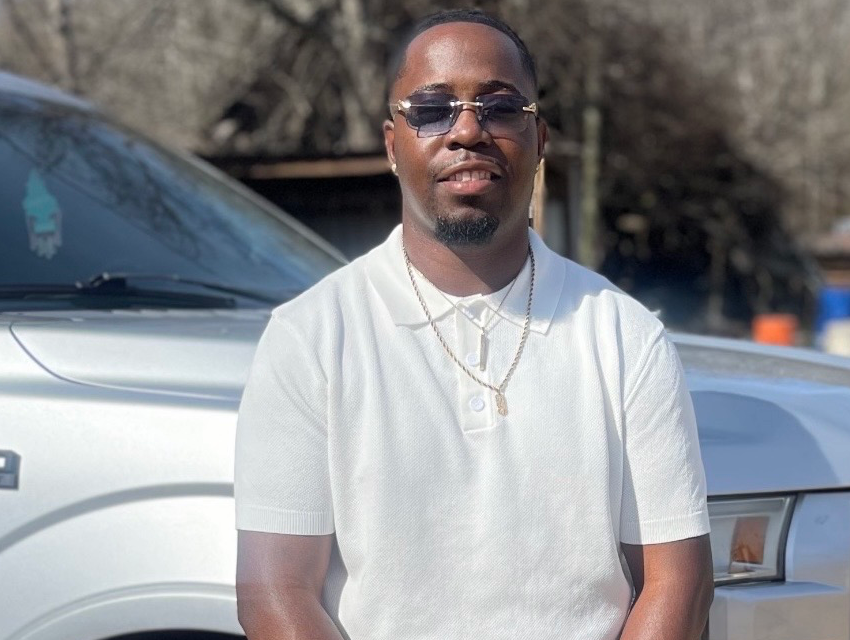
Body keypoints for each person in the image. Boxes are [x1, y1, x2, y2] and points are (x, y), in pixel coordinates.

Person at [234, 9, 712, 640]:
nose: (467, 130)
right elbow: (275, 594)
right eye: (432, 109)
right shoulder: (310, 337)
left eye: (501, 108)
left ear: (539, 140)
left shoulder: (626, 337)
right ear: (392, 145)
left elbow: (678, 584)